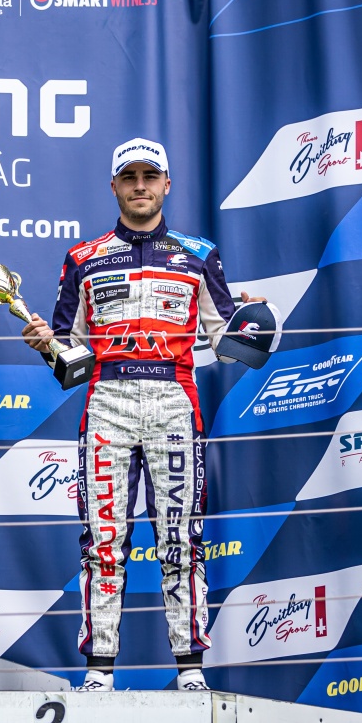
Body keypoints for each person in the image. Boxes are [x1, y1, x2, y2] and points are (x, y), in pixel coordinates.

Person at [22, 136, 264, 693]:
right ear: (113, 186)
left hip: (174, 400)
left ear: (166, 185)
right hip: (106, 401)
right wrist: (45, 345)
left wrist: (257, 321)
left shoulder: (199, 254)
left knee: (181, 540)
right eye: (129, 177)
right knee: (102, 541)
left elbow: (230, 344)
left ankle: (191, 671)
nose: (139, 186)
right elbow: (68, 358)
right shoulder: (83, 258)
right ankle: (99, 672)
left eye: (149, 176)